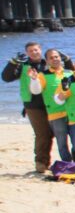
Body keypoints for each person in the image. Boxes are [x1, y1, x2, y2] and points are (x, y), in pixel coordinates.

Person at [2, 42, 52, 171]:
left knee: (53, 133)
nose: (34, 52)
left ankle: (48, 161)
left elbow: (70, 72)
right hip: (33, 105)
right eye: (30, 51)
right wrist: (13, 62)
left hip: (53, 104)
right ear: (27, 53)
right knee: (42, 134)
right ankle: (41, 162)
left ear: (40, 50)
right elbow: (6, 78)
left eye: (35, 50)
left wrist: (66, 59)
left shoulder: (49, 62)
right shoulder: (22, 65)